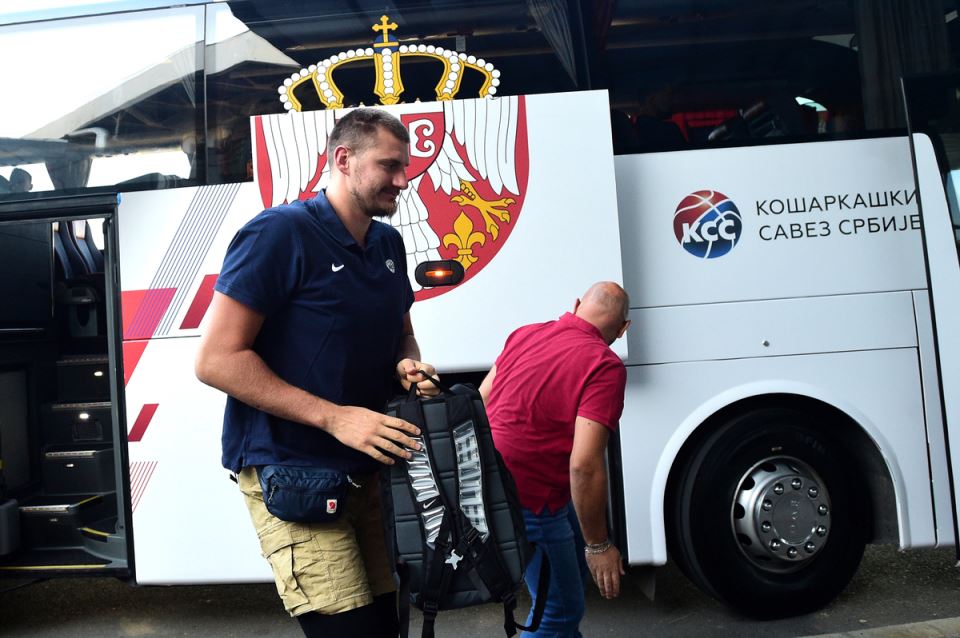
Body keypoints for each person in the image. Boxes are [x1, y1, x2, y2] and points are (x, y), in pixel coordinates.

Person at [195, 108, 440, 638]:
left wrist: (407, 364)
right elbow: (216, 360)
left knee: (386, 628)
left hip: (369, 472)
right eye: (390, 165)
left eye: (406, 167)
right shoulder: (279, 232)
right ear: (343, 159)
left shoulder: (388, 244)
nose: (404, 180)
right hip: (293, 472)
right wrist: (335, 418)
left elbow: (402, 334)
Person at [479, 282, 631, 638]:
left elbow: (480, 404)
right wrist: (599, 545)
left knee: (569, 578)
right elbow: (584, 465)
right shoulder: (604, 365)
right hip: (533, 498)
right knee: (559, 612)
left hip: (494, 483)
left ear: (576, 305)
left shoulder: (525, 334)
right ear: (623, 329)